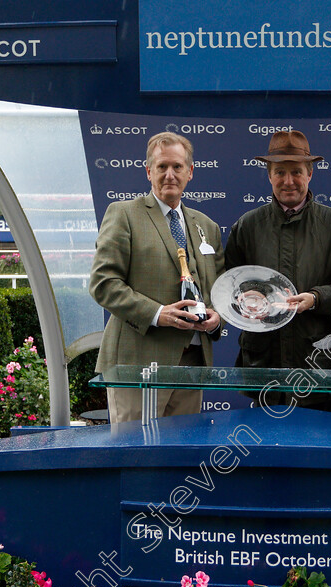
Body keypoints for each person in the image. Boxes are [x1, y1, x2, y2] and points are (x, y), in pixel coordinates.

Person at [90, 132, 224, 423]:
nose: (169, 175)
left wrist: (218, 317)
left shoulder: (207, 226)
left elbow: (221, 289)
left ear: (190, 172)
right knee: (137, 456)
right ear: (148, 171)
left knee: (180, 459)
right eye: (161, 167)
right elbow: (104, 283)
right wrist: (158, 313)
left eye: (177, 167)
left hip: (193, 363)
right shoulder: (124, 214)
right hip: (138, 365)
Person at [224, 130, 331, 412]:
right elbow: (228, 283)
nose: (288, 181)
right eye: (280, 172)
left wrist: (316, 298)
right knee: (263, 453)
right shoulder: (247, 226)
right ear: (268, 174)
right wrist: (246, 299)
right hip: (262, 365)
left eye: (296, 172)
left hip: (317, 365)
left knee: (319, 452)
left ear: (310, 173)